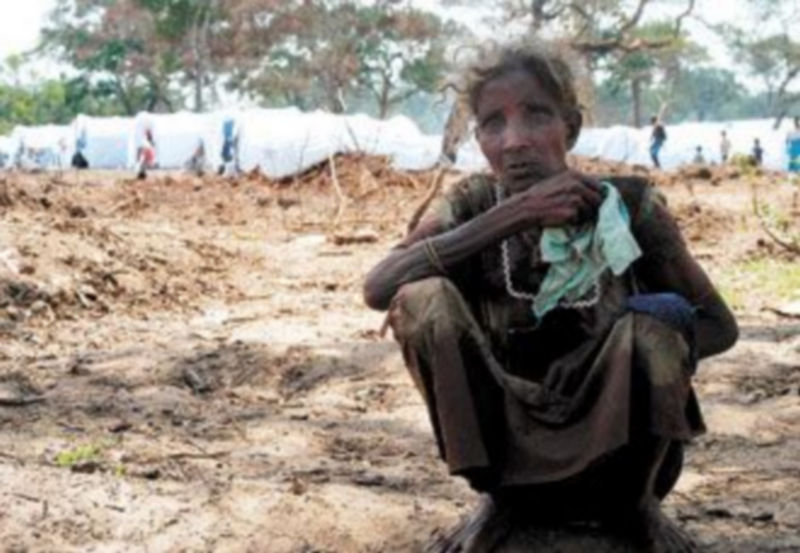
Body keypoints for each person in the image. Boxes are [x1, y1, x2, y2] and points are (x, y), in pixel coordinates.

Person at [363, 42, 738, 551]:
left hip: (619, 435)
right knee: (420, 298)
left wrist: (633, 342)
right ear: (479, 139)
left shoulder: (625, 206)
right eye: (493, 123)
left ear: (572, 127)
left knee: (659, 323)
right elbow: (379, 286)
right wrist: (512, 215)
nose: (514, 141)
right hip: (505, 422)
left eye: (536, 115)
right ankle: (500, 504)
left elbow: (719, 324)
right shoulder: (472, 204)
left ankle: (637, 511)